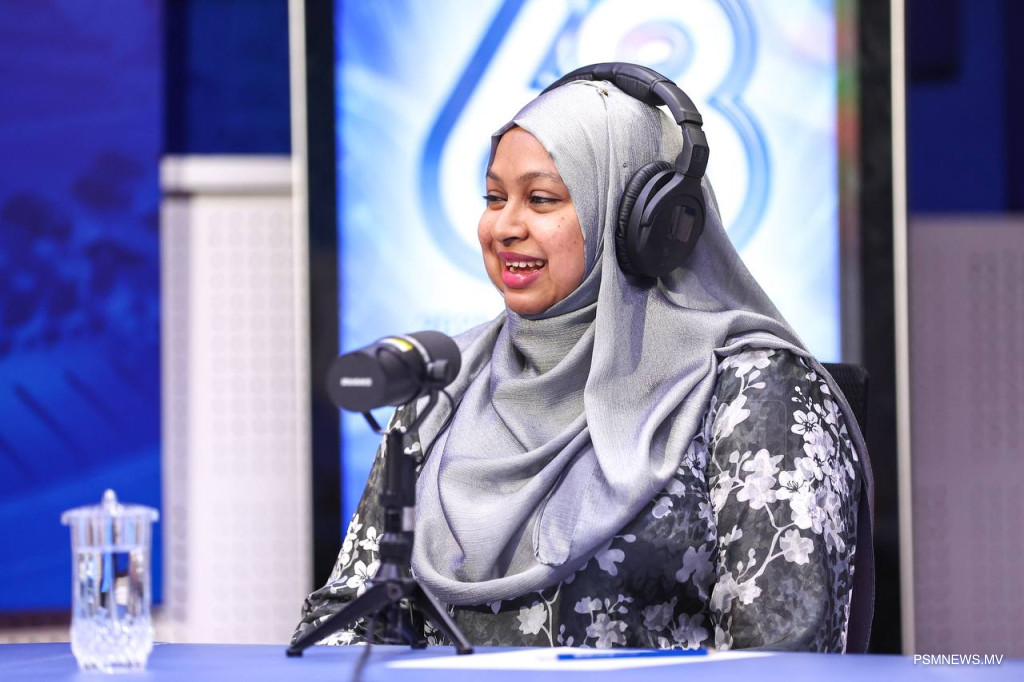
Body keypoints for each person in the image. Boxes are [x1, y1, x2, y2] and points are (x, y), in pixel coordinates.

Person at [293, 65, 870, 653]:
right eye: (494, 198)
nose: (504, 227)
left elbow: (783, 652)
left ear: (641, 225)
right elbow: (348, 619)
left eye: (540, 199)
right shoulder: (443, 384)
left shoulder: (756, 394)